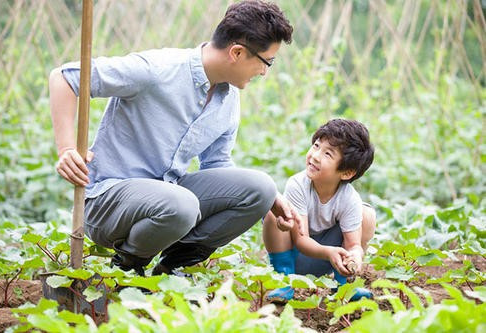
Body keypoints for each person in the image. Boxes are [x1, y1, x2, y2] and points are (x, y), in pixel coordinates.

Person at [49, 0, 295, 276]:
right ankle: (129, 266)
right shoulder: (157, 69)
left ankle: (169, 268)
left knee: (261, 187)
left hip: (168, 198)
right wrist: (67, 148)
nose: (264, 72)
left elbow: (216, 165)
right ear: (237, 52)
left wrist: (268, 199)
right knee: (181, 204)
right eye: (266, 62)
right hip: (108, 200)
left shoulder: (228, 97)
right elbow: (64, 78)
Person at [263, 119, 376, 303]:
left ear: (346, 172)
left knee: (367, 215)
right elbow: (301, 240)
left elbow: (353, 244)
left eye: (327, 154)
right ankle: (283, 280)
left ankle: (344, 286)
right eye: (316, 146)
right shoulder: (298, 184)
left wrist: (354, 256)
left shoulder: (349, 198)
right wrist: (329, 252)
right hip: (296, 254)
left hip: (331, 260)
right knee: (274, 214)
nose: (315, 156)